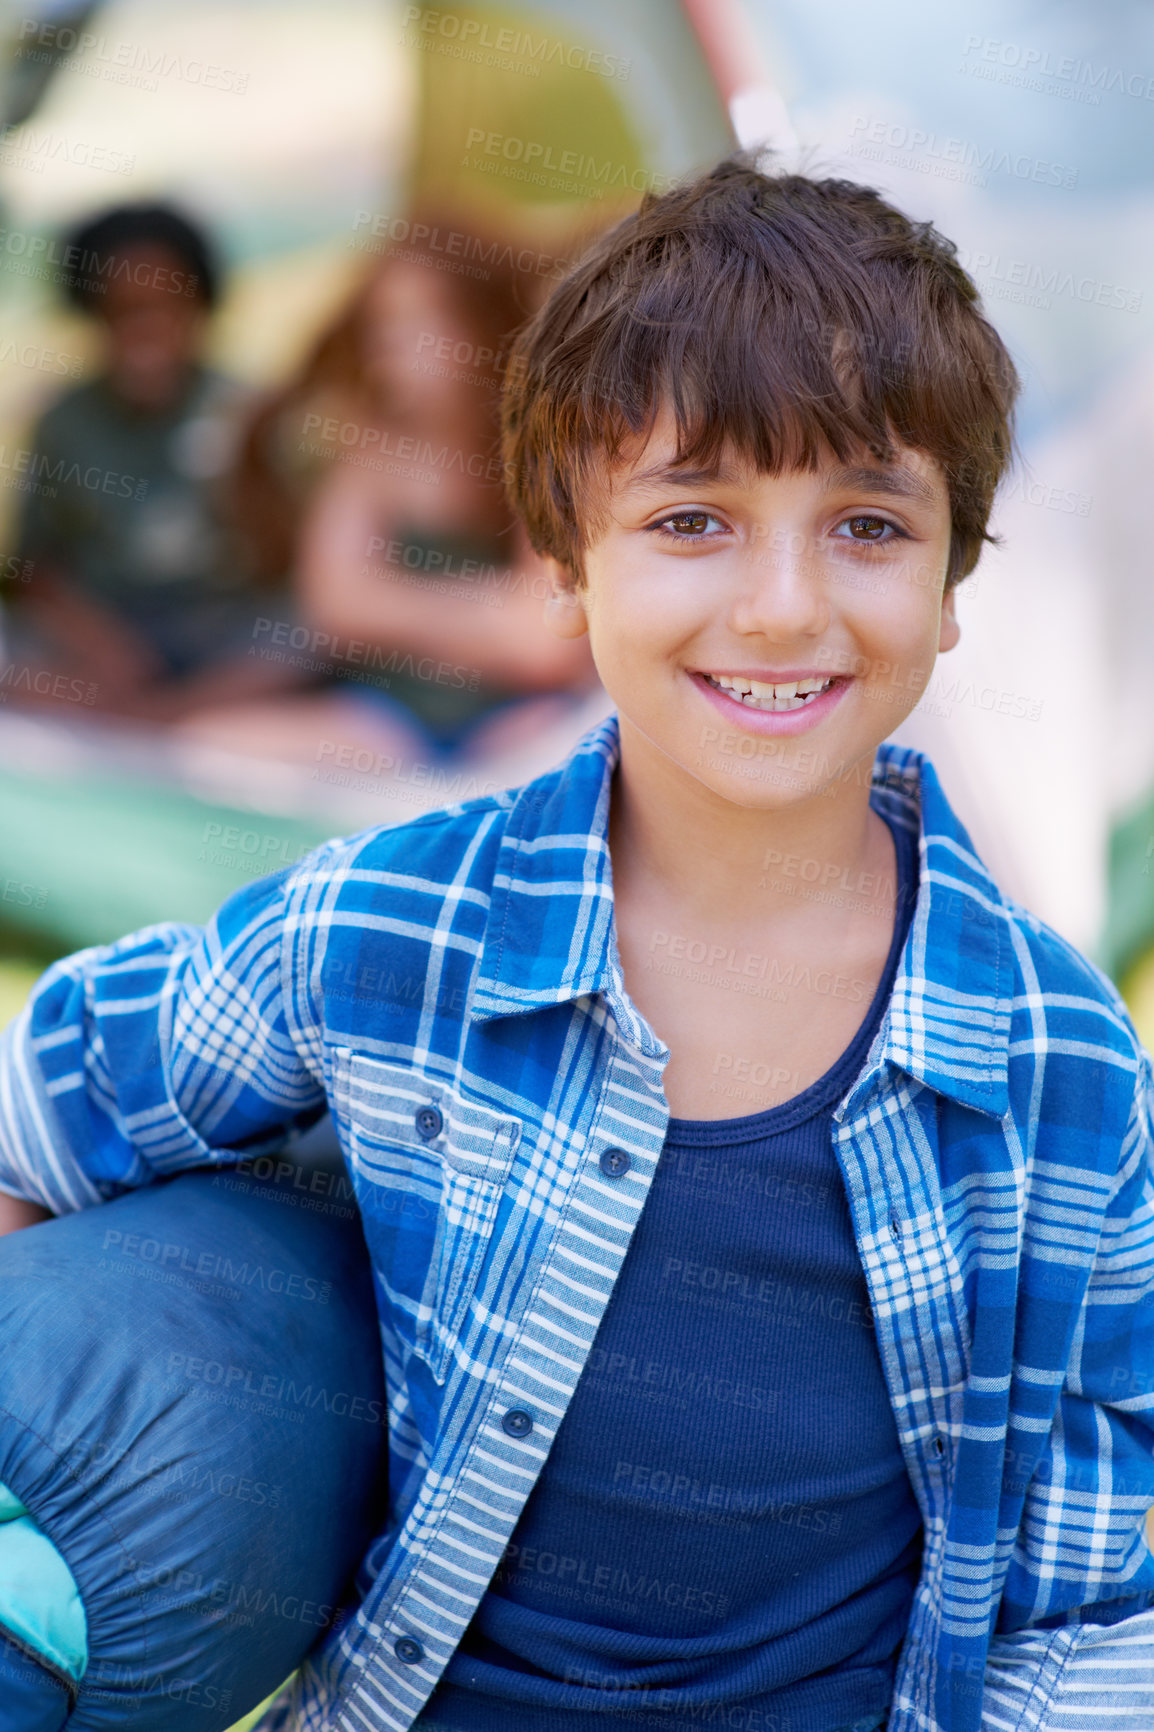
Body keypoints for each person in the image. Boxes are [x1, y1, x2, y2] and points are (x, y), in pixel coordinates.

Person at [2, 153, 1154, 1732]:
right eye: (691, 518)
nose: (777, 608)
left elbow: (1091, 1591)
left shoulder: (1057, 1066)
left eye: (866, 525)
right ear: (561, 564)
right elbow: (53, 1106)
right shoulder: (386, 929)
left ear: (955, 579)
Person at [178, 225, 599, 771]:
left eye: (418, 325)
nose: (391, 353)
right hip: (391, 719)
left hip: (518, 722)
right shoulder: (373, 450)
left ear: (479, 325)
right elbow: (335, 606)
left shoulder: (538, 445)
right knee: (209, 747)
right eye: (383, 330)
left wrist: (391, 603)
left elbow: (546, 643)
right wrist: (497, 615)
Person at [5, 202, 299, 722]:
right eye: (121, 311)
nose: (144, 331)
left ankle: (172, 715)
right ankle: (134, 712)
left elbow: (292, 571)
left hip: (218, 634)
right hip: (104, 632)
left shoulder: (250, 412)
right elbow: (35, 569)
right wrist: (100, 645)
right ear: (91, 315)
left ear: (200, 308)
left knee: (306, 639)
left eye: (163, 308)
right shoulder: (63, 420)